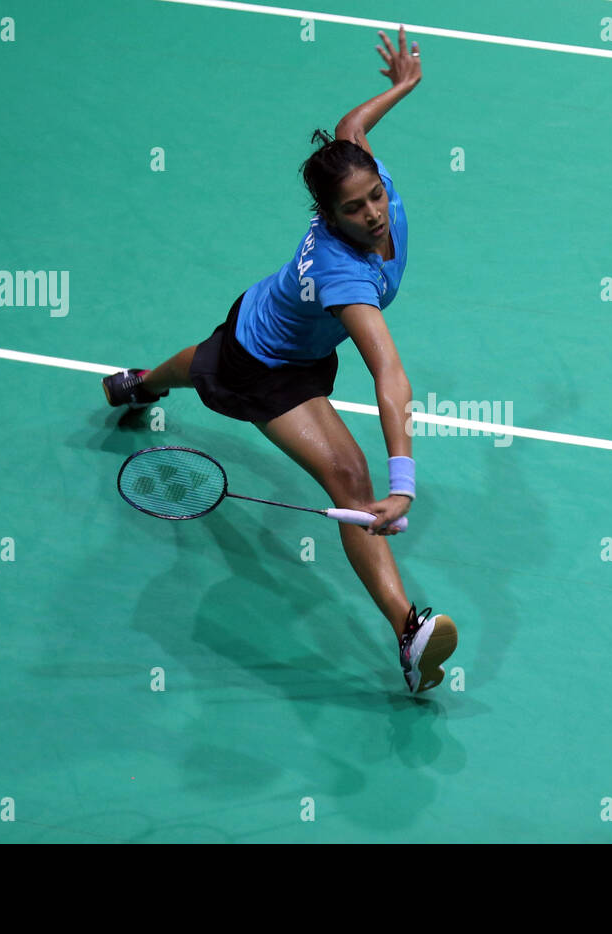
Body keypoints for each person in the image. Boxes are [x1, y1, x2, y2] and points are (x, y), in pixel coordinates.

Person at [101, 26, 456, 694]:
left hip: (282, 332)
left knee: (198, 361)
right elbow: (389, 374)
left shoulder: (368, 182)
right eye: (353, 209)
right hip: (262, 363)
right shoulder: (341, 275)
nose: (374, 214)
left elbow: (349, 127)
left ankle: (143, 385)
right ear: (326, 213)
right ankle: (409, 633)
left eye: (375, 194)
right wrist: (402, 481)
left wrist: (400, 88)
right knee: (350, 480)